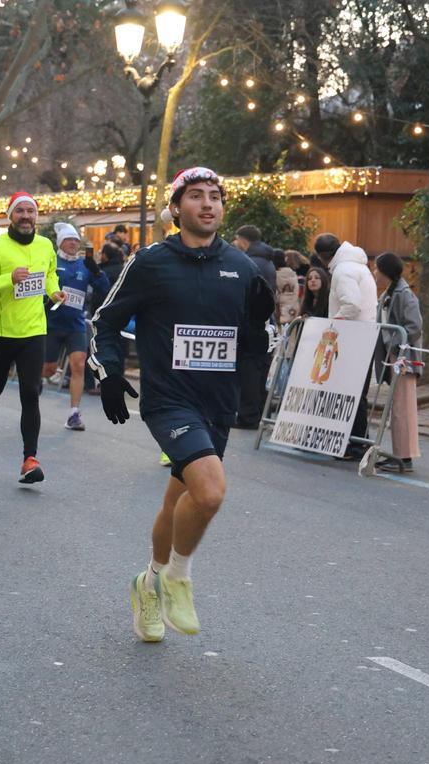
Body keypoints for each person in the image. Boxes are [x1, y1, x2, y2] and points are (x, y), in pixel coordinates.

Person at [90, 166, 274, 642]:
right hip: (169, 400)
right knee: (210, 492)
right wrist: (108, 371)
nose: (208, 204)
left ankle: (146, 583)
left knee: (179, 501)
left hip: (219, 402)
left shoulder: (242, 266)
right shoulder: (151, 262)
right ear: (176, 208)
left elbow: (258, 348)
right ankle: (178, 577)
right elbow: (105, 323)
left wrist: (259, 325)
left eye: (215, 196)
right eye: (196, 196)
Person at [0, 192, 64, 484]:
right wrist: (7, 279)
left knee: (30, 393)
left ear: (36, 216)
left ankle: (29, 459)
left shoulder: (46, 245)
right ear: (10, 216)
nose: (26, 216)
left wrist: (53, 291)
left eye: (30, 211)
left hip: (34, 331)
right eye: (20, 211)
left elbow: (49, 275)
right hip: (0, 331)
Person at [313, 233, 379, 459]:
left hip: (352, 338)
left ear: (322, 256)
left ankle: (354, 444)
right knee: (356, 392)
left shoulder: (342, 271)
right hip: (365, 334)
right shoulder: (358, 266)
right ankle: (356, 441)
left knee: (351, 392)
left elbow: (351, 304)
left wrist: (333, 325)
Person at [42, 222, 109, 431]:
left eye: (76, 240)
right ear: (61, 242)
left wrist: (96, 271)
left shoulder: (84, 264)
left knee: (79, 364)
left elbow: (104, 288)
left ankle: (73, 414)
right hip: (51, 324)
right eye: (69, 240)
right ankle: (36, 381)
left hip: (76, 324)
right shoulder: (51, 262)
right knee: (48, 369)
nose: (73, 243)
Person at [369, 253, 422, 472]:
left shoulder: (403, 294)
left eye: (377, 269)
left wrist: (394, 341)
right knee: (397, 407)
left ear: (385, 271)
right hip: (394, 356)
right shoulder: (391, 293)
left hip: (402, 357)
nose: (374, 273)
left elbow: (414, 327)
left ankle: (405, 456)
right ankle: (400, 453)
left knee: (403, 407)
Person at [232, 224, 278, 429]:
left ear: (243, 240)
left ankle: (248, 415)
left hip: (252, 322)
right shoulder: (267, 261)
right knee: (259, 369)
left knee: (249, 371)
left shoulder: (250, 262)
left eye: (236, 239)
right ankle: (256, 412)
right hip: (265, 322)